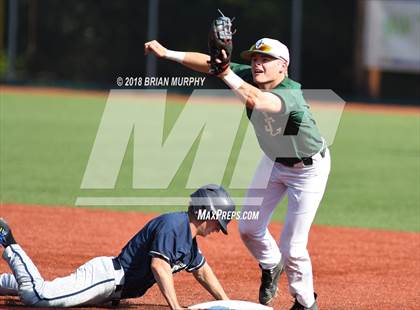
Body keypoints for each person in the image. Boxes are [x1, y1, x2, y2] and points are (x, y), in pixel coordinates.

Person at [144, 34, 330, 310]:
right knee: (249, 228)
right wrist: (167, 52)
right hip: (273, 161)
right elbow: (209, 64)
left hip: (307, 170)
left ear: (283, 66)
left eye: (265, 59)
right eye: (254, 58)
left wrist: (226, 72)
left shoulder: (291, 95)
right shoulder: (250, 76)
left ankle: (305, 302)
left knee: (293, 246)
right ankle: (270, 265)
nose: (257, 64)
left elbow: (256, 99)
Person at [0, 184, 235, 309]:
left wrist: (227, 302)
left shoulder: (188, 241)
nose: (218, 229)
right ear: (207, 212)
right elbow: (159, 266)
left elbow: (202, 271)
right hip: (106, 279)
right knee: (38, 296)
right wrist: (175, 307)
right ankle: (8, 240)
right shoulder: (174, 225)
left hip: (109, 288)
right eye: (218, 222)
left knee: (45, 291)